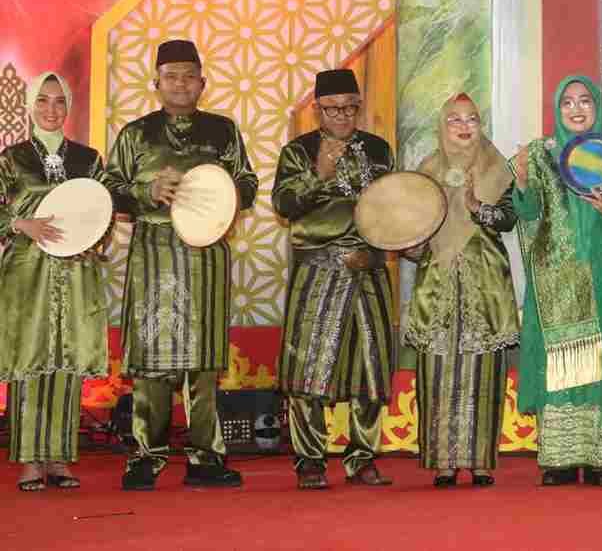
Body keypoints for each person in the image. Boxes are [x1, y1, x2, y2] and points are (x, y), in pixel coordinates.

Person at [103, 39, 258, 491]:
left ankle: (206, 458)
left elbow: (248, 184)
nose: (180, 84)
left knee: (203, 362)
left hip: (205, 254)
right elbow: (109, 189)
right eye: (171, 76)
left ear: (202, 83)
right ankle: (146, 457)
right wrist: (147, 191)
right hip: (153, 253)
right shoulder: (135, 134)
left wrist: (217, 191)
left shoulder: (222, 131)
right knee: (152, 359)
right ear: (156, 83)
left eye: (189, 76)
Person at [513, 75, 602, 486]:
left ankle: (598, 459)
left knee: (599, 360)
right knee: (560, 363)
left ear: (596, 107)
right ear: (557, 108)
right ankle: (558, 461)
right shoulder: (540, 154)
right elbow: (527, 213)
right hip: (555, 277)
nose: (576, 109)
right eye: (567, 102)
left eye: (585, 101)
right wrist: (521, 181)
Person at [272, 69, 395, 490]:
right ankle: (310, 460)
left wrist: (399, 241)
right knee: (308, 368)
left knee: (370, 368)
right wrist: (318, 172)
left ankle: (362, 458)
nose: (342, 115)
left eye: (349, 108)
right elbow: (284, 204)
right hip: (318, 269)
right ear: (316, 109)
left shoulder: (378, 150)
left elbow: (392, 207)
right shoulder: (297, 152)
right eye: (332, 109)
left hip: (368, 269)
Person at [0, 72, 109, 491]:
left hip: (75, 272)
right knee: (29, 361)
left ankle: (60, 458)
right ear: (30, 106)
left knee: (67, 360)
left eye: (59, 101)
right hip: (27, 273)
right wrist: (19, 223)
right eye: (43, 101)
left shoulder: (88, 159)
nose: (51, 109)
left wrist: (93, 243)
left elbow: (102, 212)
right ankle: (30, 460)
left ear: (69, 107)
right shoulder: (12, 159)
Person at [404, 93, 519, 487]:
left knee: (483, 370)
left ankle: (481, 461)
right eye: (455, 119)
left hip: (484, 282)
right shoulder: (427, 170)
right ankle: (443, 462)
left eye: (472, 119)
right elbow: (412, 227)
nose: (464, 126)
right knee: (437, 369)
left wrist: (477, 206)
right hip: (438, 282)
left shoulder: (497, 167)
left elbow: (508, 218)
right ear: (443, 125)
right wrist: (407, 243)